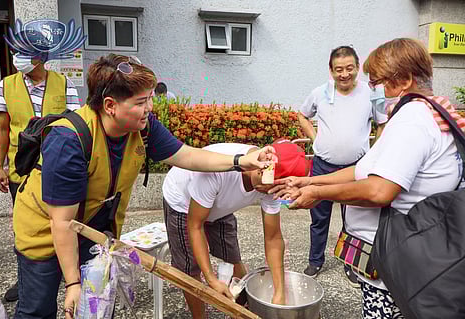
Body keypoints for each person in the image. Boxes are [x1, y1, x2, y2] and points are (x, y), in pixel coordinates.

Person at [11, 53, 276, 319]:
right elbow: (62, 222)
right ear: (110, 105)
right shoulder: (69, 139)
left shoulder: (142, 128)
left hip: (94, 233)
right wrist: (72, 283)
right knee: (38, 310)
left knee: (97, 310)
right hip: (45, 232)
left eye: (149, 98)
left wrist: (241, 160)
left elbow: (187, 156)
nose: (150, 107)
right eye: (141, 101)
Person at [275, 38, 465, 318]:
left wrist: (318, 194)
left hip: (399, 264)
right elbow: (363, 169)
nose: (375, 90)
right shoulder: (430, 111)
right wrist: (311, 181)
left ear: (403, 81)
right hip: (406, 256)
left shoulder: (413, 118)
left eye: (379, 83)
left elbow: (378, 190)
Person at [162, 141, 308, 318]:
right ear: (263, 169)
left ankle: (239, 310)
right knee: (191, 268)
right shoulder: (218, 172)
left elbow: (273, 238)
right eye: (269, 188)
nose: (268, 193)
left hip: (221, 204)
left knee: (232, 256)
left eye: (275, 191)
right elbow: (195, 226)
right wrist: (211, 279)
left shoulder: (272, 183)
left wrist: (280, 294)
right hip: (183, 203)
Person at [0, 51, 80, 302]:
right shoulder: (6, 85)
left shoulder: (64, 83)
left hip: (56, 168)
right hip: (21, 170)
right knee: (26, 229)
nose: (16, 57)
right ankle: (27, 279)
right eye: (15, 52)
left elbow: (76, 123)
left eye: (23, 54)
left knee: (62, 221)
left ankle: (66, 274)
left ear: (40, 57)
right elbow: (1, 127)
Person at [296, 45, 388, 285]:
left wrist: (375, 154)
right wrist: (315, 139)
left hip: (356, 168)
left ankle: (351, 262)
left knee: (355, 220)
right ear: (331, 70)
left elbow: (382, 124)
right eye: (339, 70)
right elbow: (302, 115)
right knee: (319, 218)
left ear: (358, 67)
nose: (344, 74)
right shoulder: (320, 93)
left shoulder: (371, 94)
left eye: (349, 68)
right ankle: (315, 261)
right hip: (323, 165)